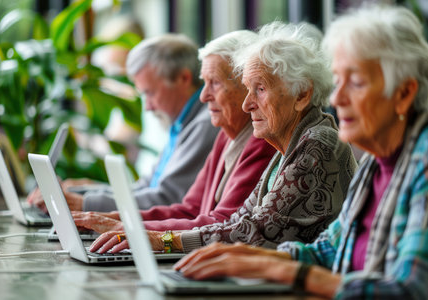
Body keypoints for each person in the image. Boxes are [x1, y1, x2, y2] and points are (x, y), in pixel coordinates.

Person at [174, 6, 428, 300]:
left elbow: (413, 292)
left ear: (404, 94)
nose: (337, 97)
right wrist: (257, 260)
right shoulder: (377, 166)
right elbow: (329, 250)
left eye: (355, 83)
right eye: (338, 81)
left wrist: (289, 271)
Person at [87, 21, 357, 255]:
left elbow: (253, 233)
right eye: (248, 90)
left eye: (260, 89)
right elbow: (239, 220)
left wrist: (162, 240)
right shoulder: (287, 146)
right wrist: (138, 231)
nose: (247, 104)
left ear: (302, 95)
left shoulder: (317, 143)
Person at [71, 30, 276, 234]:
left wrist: (129, 228)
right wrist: (110, 220)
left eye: (215, 83)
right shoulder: (225, 135)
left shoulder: (256, 138)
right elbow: (189, 209)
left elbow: (222, 222)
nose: (204, 96)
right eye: (205, 83)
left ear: (247, 86)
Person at [27, 34, 220, 212]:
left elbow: (167, 198)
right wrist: (84, 191)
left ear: (183, 78)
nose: (148, 107)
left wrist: (84, 203)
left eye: (150, 93)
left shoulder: (204, 124)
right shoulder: (184, 122)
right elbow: (147, 187)